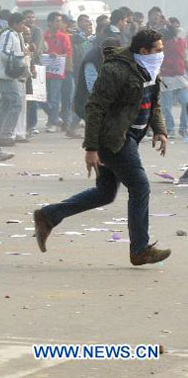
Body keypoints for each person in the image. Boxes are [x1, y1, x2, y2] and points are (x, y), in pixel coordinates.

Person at [34, 29, 171, 266]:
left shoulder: (150, 69)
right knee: (140, 186)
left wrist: (160, 130)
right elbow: (95, 107)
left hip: (129, 136)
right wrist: (91, 148)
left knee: (105, 193)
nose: (162, 53)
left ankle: (49, 215)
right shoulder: (115, 70)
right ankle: (139, 250)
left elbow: (154, 102)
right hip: (114, 138)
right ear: (143, 51)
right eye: (158, 49)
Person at [0, 12, 29, 145]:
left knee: (6, 105)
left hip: (8, 75)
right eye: (22, 23)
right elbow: (4, 53)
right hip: (6, 75)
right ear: (14, 23)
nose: (24, 26)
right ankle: (6, 134)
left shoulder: (15, 35)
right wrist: (20, 54)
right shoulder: (8, 34)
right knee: (16, 103)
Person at [41, 12, 73, 133]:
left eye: (60, 21)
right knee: (43, 99)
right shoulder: (44, 36)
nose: (59, 23)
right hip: (45, 71)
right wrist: (47, 55)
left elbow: (68, 53)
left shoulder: (64, 36)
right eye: (56, 21)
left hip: (57, 72)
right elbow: (40, 52)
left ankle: (53, 121)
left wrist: (58, 56)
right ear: (50, 22)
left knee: (54, 98)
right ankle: (55, 117)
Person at [160, 19, 188, 138]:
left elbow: (185, 58)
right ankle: (172, 128)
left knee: (184, 101)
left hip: (179, 75)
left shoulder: (182, 42)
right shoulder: (165, 44)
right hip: (167, 76)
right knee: (168, 105)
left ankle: (181, 128)